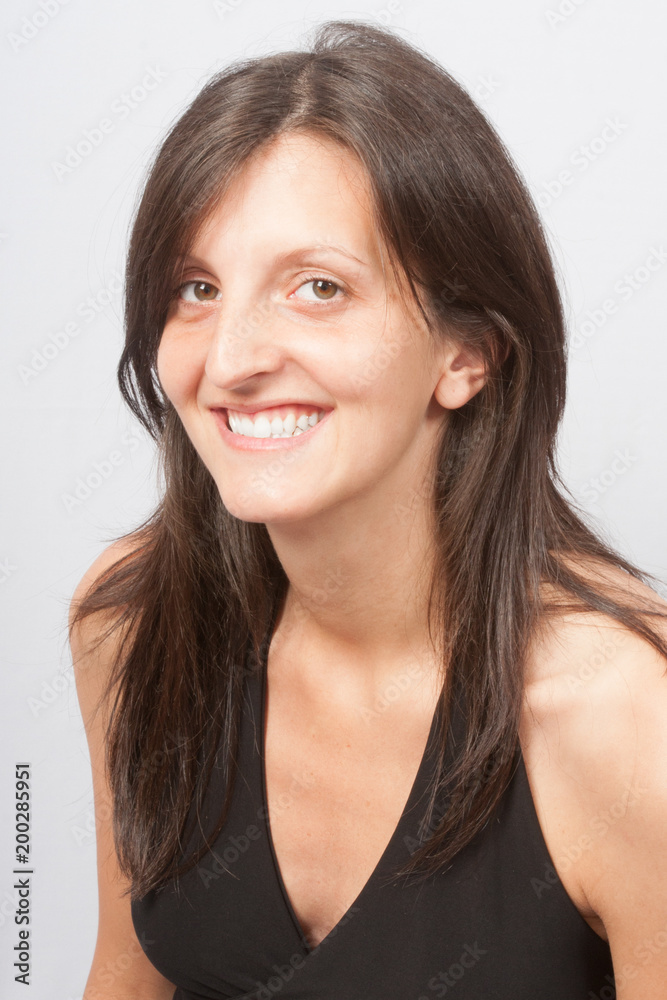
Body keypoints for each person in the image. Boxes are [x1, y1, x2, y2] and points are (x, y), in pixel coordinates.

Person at [68, 19, 667, 1000]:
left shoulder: (625, 712)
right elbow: (125, 980)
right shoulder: (130, 621)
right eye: (196, 288)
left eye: (317, 288)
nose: (230, 359)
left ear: (465, 353)